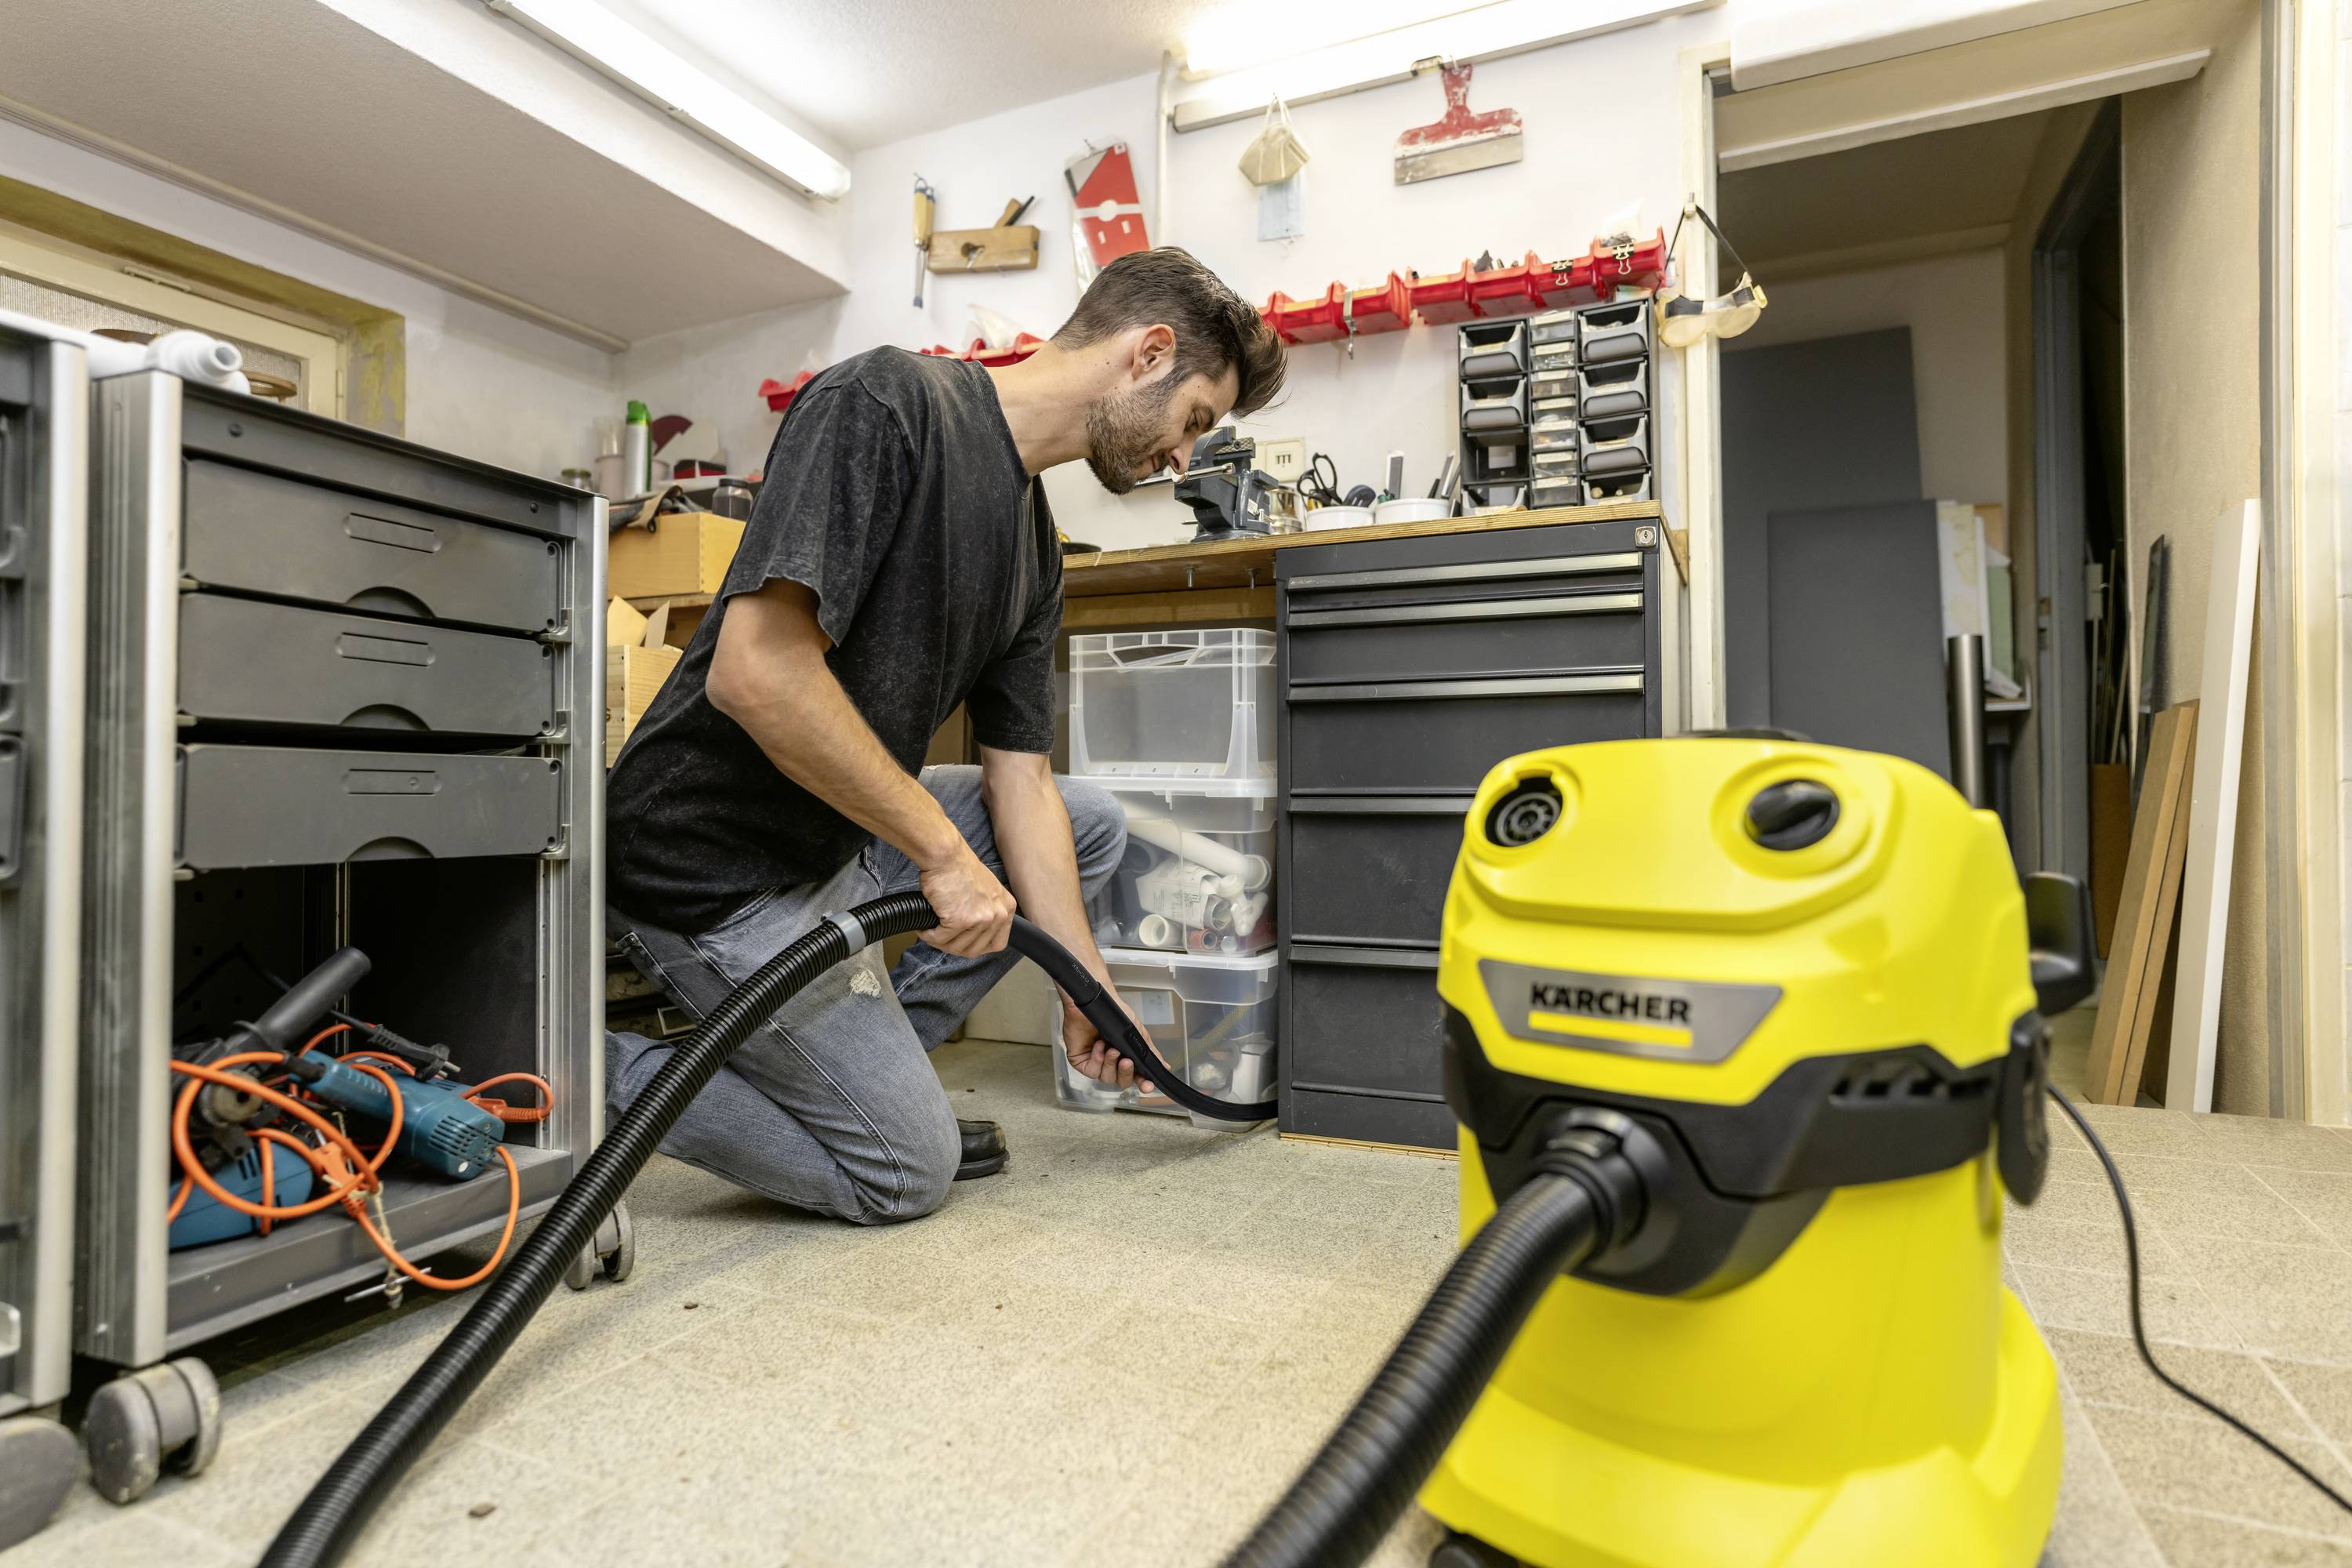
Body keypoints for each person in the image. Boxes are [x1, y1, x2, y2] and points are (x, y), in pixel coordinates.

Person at [604, 248, 1287, 1225]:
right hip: (705, 858)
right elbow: (755, 672)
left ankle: (851, 1072)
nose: (1183, 458)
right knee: (903, 1173)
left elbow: (1026, 784)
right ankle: (599, 1074)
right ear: (1148, 353)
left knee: (1086, 819)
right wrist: (937, 851)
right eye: (1194, 423)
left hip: (829, 841)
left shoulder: (1035, 549)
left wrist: (1087, 988)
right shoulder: (886, 405)